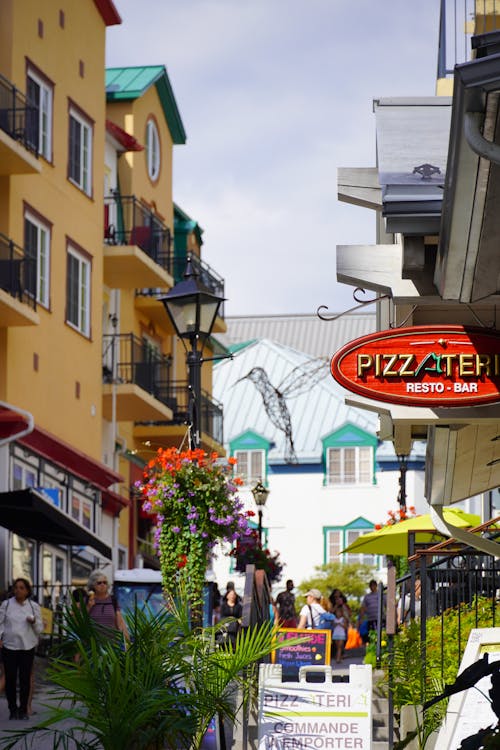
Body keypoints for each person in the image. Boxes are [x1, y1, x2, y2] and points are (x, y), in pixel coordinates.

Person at [0, 578, 43, 720]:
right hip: (9, 646)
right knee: (10, 679)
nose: (18, 590)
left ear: (27, 591)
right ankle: (13, 709)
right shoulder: (6, 605)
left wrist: (34, 622)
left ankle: (23, 709)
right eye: (16, 587)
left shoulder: (33, 606)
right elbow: (0, 623)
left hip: (27, 646)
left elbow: (39, 629)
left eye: (21, 587)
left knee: (25, 679)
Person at [86, 571, 129, 643]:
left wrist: (127, 641)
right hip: (93, 644)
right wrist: (89, 607)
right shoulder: (87, 600)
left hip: (111, 645)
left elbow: (120, 623)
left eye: (105, 582)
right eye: (99, 583)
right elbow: (80, 619)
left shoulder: (112, 600)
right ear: (93, 585)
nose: (102, 585)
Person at [358, 579, 381, 644]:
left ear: (376, 586)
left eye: (374, 585)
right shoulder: (367, 597)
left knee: (380, 633)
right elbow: (363, 607)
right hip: (370, 618)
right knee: (371, 634)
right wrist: (361, 618)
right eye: (371, 586)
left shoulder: (380, 594)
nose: (372, 587)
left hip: (380, 618)